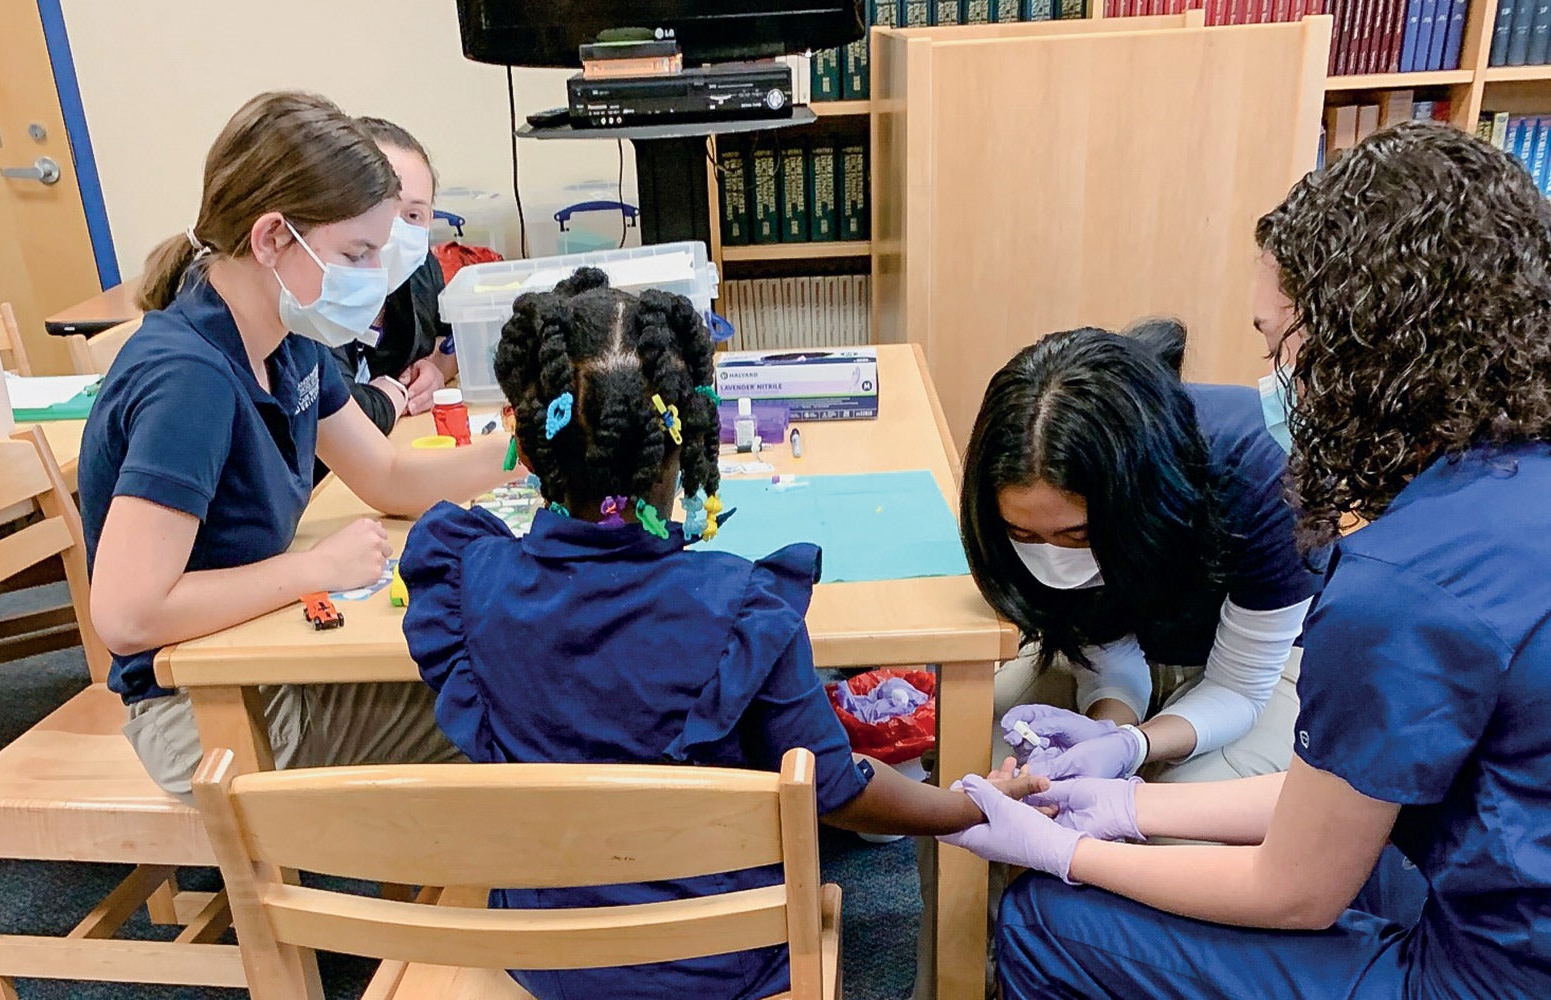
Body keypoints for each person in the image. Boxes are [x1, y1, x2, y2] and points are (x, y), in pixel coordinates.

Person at [944, 120, 1551, 999]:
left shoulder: (1398, 587)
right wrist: (1124, 799)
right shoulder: (1506, 495)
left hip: (1489, 978)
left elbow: (1296, 887)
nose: (1274, 382)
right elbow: (1353, 802)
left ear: (1360, 351)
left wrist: (1066, 852)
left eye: (1279, 348)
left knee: (1044, 918)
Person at [398, 268, 1038, 1000]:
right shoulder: (737, 607)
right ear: (688, 443)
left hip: (546, 961)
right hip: (719, 962)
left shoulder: (465, 578)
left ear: (526, 441)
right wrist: (966, 804)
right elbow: (835, 790)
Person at [80, 91, 513, 797]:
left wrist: (524, 457)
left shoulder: (287, 340)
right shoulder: (190, 381)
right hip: (203, 714)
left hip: (257, 662)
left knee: (506, 681)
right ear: (273, 237)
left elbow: (389, 478)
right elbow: (127, 615)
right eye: (357, 253)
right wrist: (316, 568)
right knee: (514, 703)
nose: (374, 279)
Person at [962, 319, 1325, 784]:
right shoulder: (1024, 504)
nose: (1053, 557)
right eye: (1025, 535)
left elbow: (1238, 690)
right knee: (979, 764)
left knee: (1170, 830)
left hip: (1267, 663)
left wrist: (1133, 747)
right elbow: (1104, 647)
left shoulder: (1261, 476)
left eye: (1077, 537)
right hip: (1142, 646)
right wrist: (1105, 727)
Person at [332, 117, 457, 434]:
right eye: (383, 205)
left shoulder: (418, 269)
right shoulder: (320, 289)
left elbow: (454, 341)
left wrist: (432, 370)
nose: (396, 230)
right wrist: (392, 397)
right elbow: (341, 411)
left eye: (414, 214)